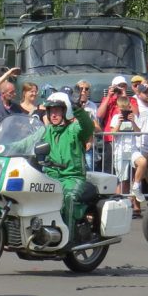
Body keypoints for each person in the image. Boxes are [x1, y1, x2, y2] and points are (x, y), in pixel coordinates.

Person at [39, 92, 95, 230]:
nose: (53, 114)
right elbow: (26, 142)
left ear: (66, 112)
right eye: (51, 111)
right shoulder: (46, 131)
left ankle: (68, 235)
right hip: (50, 177)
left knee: (68, 197)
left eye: (57, 110)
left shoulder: (73, 129)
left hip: (72, 177)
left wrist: (77, 108)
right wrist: (4, 147)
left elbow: (88, 126)